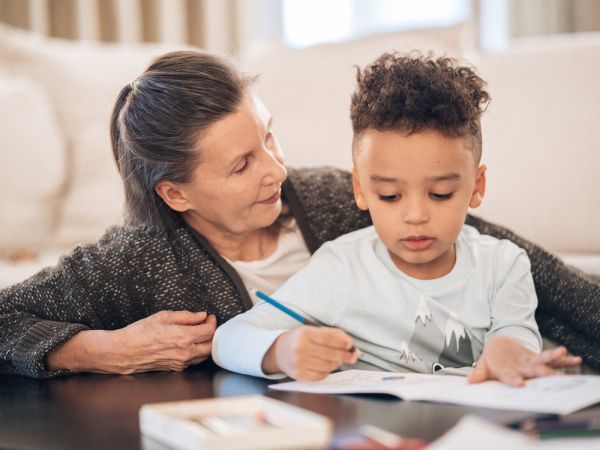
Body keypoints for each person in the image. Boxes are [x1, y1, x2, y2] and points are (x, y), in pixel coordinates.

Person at [0, 51, 597, 380]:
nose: (276, 171)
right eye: (241, 166)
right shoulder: (134, 260)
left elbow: (520, 263)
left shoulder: (334, 199)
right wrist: (98, 350)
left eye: (270, 137)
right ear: (176, 194)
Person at [212, 52, 583, 386]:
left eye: (440, 194)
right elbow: (229, 338)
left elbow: (517, 334)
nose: (416, 216)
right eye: (389, 196)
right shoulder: (340, 269)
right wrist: (283, 349)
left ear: (476, 186)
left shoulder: (504, 265)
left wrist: (508, 349)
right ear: (360, 189)